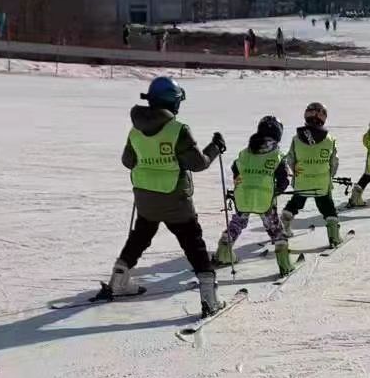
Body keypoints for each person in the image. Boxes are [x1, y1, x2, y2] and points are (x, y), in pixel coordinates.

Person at [108, 77, 226, 316]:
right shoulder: (178, 129)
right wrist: (215, 147)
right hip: (175, 200)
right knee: (193, 243)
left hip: (145, 198)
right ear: (173, 103)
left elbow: (127, 161)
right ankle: (209, 297)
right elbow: (198, 164)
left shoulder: (136, 129)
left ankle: (118, 279)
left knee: (140, 236)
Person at [215, 116, 295, 278]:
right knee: (274, 229)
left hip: (243, 195)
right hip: (265, 198)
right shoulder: (277, 155)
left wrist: (240, 179)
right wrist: (276, 190)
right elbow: (283, 180)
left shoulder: (246, 152)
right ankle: (284, 263)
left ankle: (223, 252)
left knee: (238, 222)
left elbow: (235, 167)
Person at [281, 102, 343, 249]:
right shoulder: (330, 140)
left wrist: (296, 170)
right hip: (322, 183)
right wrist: (329, 176)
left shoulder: (297, 139)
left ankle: (285, 225)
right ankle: (334, 236)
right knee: (328, 207)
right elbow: (334, 162)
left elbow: (290, 158)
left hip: (302, 181)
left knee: (296, 202)